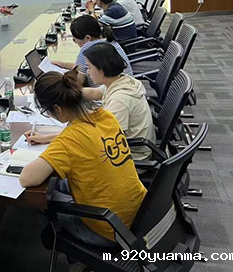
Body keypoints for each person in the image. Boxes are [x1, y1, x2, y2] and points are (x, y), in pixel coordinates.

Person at [19, 71, 147, 248]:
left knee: (45, 199)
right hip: (139, 215)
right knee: (59, 183)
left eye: (46, 111)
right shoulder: (105, 116)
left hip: (108, 230)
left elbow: (27, 178)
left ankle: (66, 249)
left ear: (58, 109)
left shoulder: (68, 141)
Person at [82, 43, 155, 160]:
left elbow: (106, 137)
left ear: (102, 69)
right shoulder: (121, 80)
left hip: (132, 156)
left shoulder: (119, 100)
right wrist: (64, 92)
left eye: (89, 67)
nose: (87, 72)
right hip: (127, 146)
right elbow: (94, 93)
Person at [52, 15, 133, 86]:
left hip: (104, 94)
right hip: (127, 86)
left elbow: (78, 82)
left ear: (87, 38)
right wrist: (63, 64)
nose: (75, 43)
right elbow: (84, 67)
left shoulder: (88, 48)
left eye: (75, 40)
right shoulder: (109, 40)